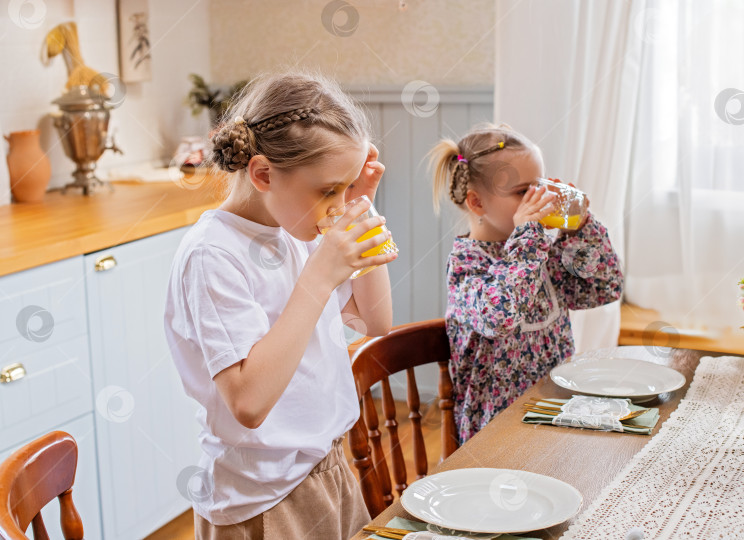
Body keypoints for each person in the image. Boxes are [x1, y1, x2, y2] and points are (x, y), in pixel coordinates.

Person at [164, 71, 397, 539]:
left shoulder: (298, 227)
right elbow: (248, 403)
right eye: (328, 190)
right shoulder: (214, 254)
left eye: (345, 187)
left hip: (327, 467)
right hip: (260, 498)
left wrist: (361, 206)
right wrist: (319, 275)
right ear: (264, 174)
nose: (337, 205)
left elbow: (376, 321)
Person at [429, 124, 624, 443]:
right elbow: (499, 316)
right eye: (523, 192)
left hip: (556, 413)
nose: (540, 199)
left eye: (540, 186)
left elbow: (605, 286)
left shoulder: (538, 254)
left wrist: (581, 227)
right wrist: (529, 239)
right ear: (477, 203)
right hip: (496, 434)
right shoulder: (468, 265)